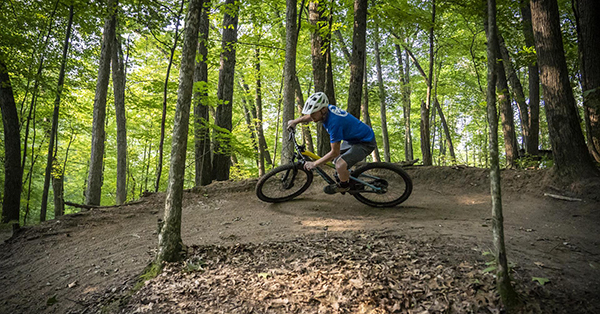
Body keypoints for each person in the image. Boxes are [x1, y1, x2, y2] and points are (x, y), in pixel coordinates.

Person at [287, 92, 377, 194]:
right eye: (310, 113)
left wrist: (314, 163)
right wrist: (295, 121)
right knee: (335, 161)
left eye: (313, 113)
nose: (311, 116)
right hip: (354, 139)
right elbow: (310, 117)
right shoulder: (326, 109)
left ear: (323, 109)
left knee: (339, 165)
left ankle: (344, 186)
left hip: (365, 142)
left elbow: (335, 152)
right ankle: (345, 175)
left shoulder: (334, 124)